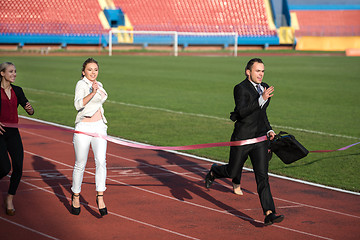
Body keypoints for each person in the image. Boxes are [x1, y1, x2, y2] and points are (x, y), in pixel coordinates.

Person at [204, 58, 284, 226]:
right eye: (257, 71)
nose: (261, 74)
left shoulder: (264, 87)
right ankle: (214, 171)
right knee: (232, 172)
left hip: (260, 139)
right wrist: (260, 99)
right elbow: (242, 112)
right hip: (242, 139)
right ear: (248, 72)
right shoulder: (240, 88)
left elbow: (262, 114)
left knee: (262, 176)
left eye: (263, 71)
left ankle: (269, 212)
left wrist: (269, 129)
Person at [71, 58, 108, 216]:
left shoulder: (99, 84)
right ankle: (76, 195)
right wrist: (93, 93)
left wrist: (96, 89)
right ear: (83, 71)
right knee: (81, 163)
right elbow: (78, 105)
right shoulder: (81, 84)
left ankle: (100, 196)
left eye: (95, 70)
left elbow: (104, 98)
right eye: (90, 70)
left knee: (101, 161)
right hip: (84, 127)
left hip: (99, 126)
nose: (93, 72)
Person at [0, 62, 34, 216]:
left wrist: (30, 109)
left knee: (18, 168)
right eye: (11, 71)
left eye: (15, 71)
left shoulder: (17, 90)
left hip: (13, 134)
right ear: (2, 73)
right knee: (4, 168)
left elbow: (30, 110)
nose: (14, 74)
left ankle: (9, 199)